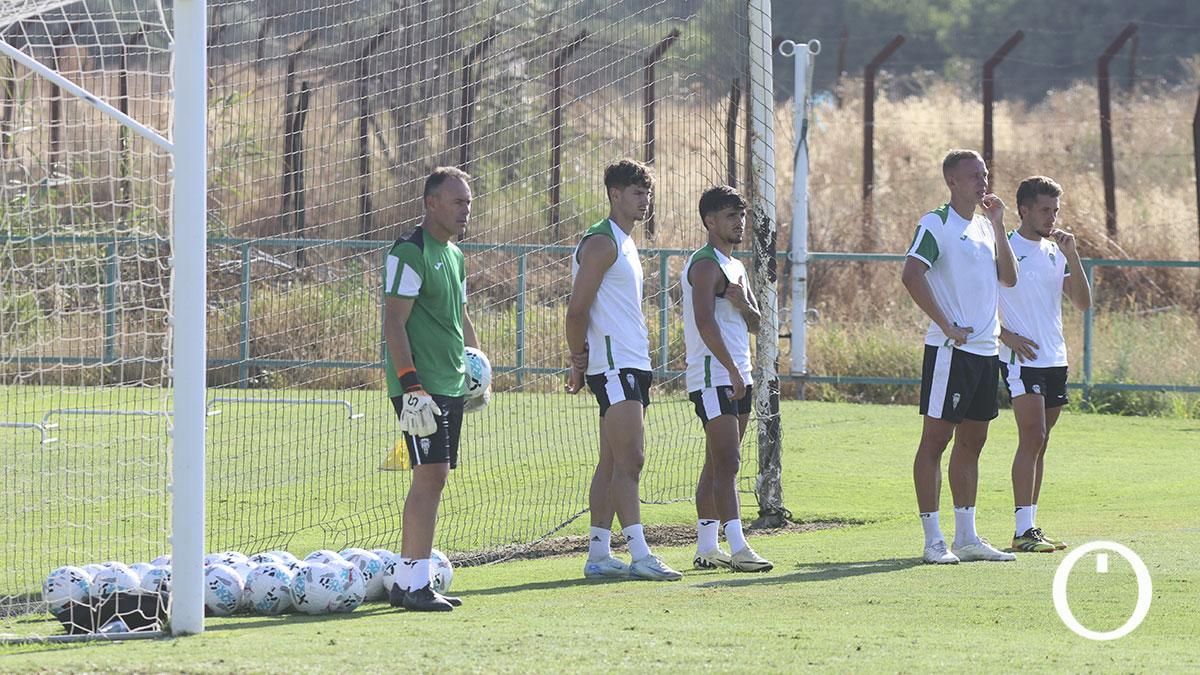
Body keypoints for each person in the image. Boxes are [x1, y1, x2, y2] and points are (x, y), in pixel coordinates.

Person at [565, 159, 682, 581]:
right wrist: (579, 360)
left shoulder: (624, 241)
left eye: (647, 192)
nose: (644, 200)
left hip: (628, 362)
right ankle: (640, 554)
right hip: (614, 365)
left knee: (613, 461)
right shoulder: (601, 243)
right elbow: (576, 310)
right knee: (632, 459)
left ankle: (598, 555)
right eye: (637, 192)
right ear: (615, 194)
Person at [900, 149, 1019, 565]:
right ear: (951, 181)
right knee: (936, 441)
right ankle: (934, 541)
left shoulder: (987, 226)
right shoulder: (937, 223)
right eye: (973, 176)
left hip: (987, 352)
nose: (982, 182)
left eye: (984, 174)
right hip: (953, 351)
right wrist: (947, 324)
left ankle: (967, 538)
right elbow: (911, 274)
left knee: (974, 441)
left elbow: (1009, 277)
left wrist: (1001, 225)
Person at [382, 166, 487, 611]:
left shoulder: (455, 254)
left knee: (434, 479)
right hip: (420, 388)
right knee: (430, 478)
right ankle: (415, 585)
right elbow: (393, 322)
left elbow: (460, 316)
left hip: (450, 383)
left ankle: (408, 581)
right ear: (432, 203)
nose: (467, 209)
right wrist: (411, 385)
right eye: (458, 201)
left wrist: (478, 365)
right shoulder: (409, 251)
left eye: (468, 201)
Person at [682, 185, 772, 573]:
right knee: (730, 462)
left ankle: (706, 548)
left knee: (717, 465)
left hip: (739, 375)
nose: (739, 222)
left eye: (741, 215)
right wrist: (732, 370)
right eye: (730, 216)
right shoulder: (704, 265)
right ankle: (737, 546)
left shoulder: (736, 267)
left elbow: (755, 323)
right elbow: (704, 323)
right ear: (710, 221)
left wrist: (743, 303)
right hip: (713, 375)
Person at [998, 176, 1091, 553]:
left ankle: (1031, 526)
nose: (1052, 217)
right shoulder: (1005, 247)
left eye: (1055, 210)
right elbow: (982, 300)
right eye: (1044, 210)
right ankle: (1022, 530)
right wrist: (1007, 337)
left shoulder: (1056, 251)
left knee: (1042, 442)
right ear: (1023, 210)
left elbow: (1083, 303)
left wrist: (1074, 256)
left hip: (1055, 358)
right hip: (1023, 360)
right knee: (1032, 436)